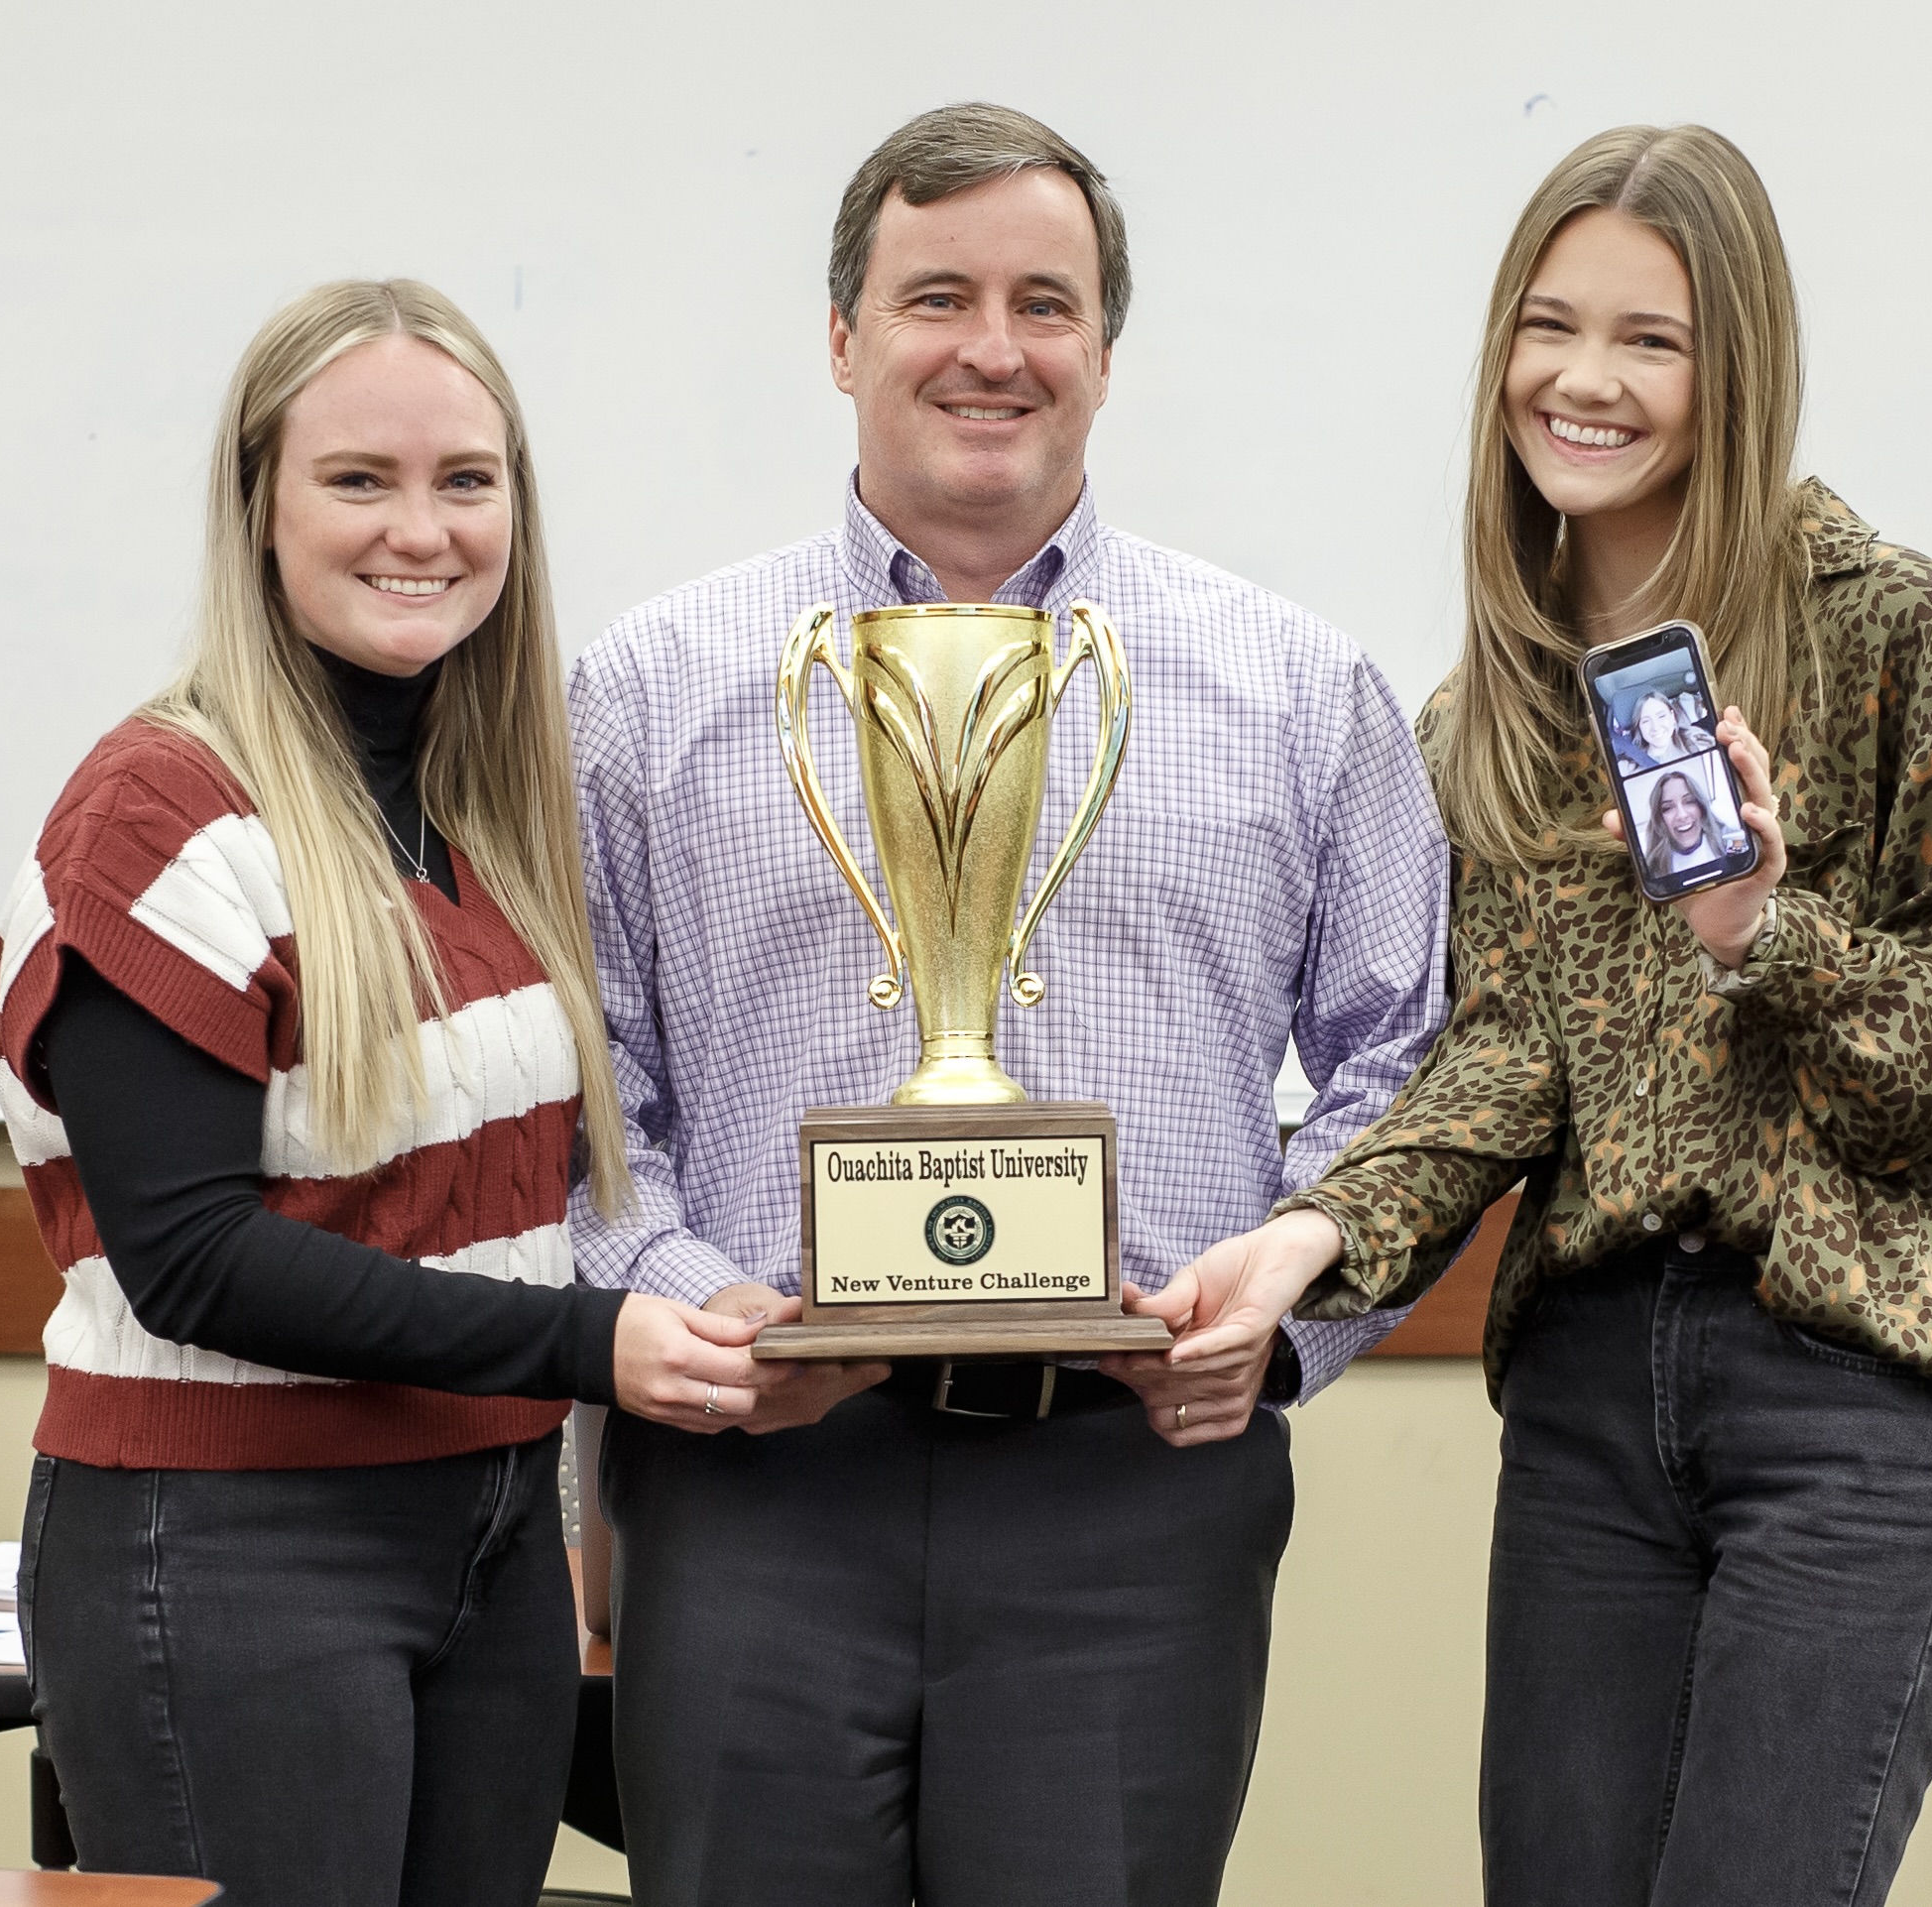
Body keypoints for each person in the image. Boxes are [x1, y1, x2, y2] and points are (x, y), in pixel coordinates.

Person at [1149, 124, 1932, 1907]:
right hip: (1584, 1401)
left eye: (1650, 338)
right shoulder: (1479, 714)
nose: (1582, 379)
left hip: (1850, 1385)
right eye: (1546, 326)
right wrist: (1304, 1237)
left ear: (1737, 368)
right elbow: (1491, 1064)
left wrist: (1753, 926)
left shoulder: (1880, 628)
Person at [565, 103, 1453, 1906]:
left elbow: (1410, 1067)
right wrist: (691, 1312)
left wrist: (1274, 1321)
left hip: (1127, 1491)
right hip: (756, 1491)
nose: (991, 348)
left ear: (1105, 353)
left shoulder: (1291, 688)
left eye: (1044, 302)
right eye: (933, 296)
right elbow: (577, 1096)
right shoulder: (642, 692)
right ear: (840, 338)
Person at [0, 279, 781, 1907]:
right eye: (358, 479)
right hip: (229, 1542)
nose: (419, 529)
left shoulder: (481, 810)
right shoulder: (160, 810)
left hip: (485, 1528)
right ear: (257, 505)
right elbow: (190, 1254)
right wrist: (589, 1347)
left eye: (463, 481)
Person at [1635, 762, 1731, 880]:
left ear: (1701, 807)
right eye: (1667, 808)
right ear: (1659, 819)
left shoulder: (1731, 842)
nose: (1682, 815)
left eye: (1690, 801)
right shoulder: (1650, 871)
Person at [1613, 687, 1713, 770]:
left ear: (1672, 717)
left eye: (1661, 716)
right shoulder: (1630, 766)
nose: (1655, 727)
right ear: (1639, 727)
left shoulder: (1697, 740)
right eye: (1646, 721)